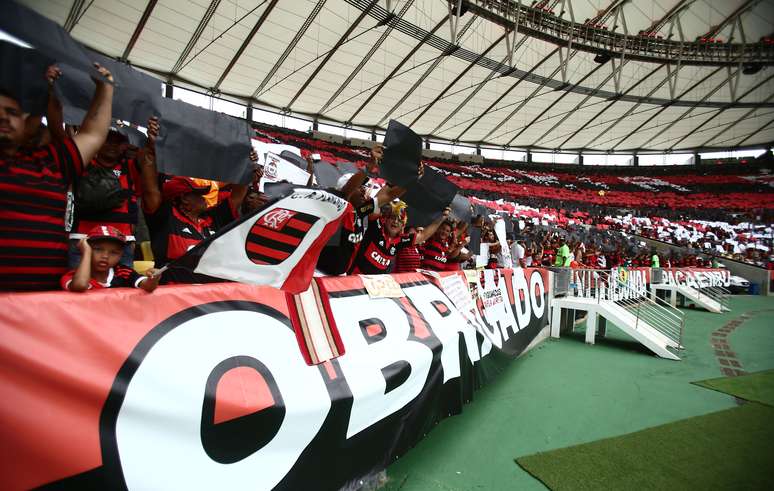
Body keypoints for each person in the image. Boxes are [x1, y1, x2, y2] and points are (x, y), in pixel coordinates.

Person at [0, 63, 115, 291]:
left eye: (12, 112)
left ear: (23, 123)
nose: (3, 117)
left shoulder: (51, 162)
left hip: (45, 304)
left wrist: (105, 90)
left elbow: (92, 134)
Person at [68, 117, 160, 268]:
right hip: (83, 241)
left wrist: (150, 141)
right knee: (79, 288)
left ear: (125, 145)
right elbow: (70, 140)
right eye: (107, 139)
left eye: (118, 141)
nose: (112, 145)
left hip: (122, 244)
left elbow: (148, 157)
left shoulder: (131, 168)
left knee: (121, 291)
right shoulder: (83, 161)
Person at [348, 202, 450, 275]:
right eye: (393, 218)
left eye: (400, 220)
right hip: (352, 279)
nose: (396, 222)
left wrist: (441, 219)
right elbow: (377, 202)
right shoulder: (376, 227)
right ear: (386, 219)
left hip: (372, 287)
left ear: (403, 226)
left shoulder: (401, 241)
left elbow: (423, 235)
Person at [61, 225, 160, 292]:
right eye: (98, 249)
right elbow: (80, 285)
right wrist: (86, 253)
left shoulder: (123, 272)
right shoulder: (75, 275)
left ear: (121, 255)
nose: (105, 256)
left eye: (113, 252)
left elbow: (148, 286)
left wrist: (154, 278)